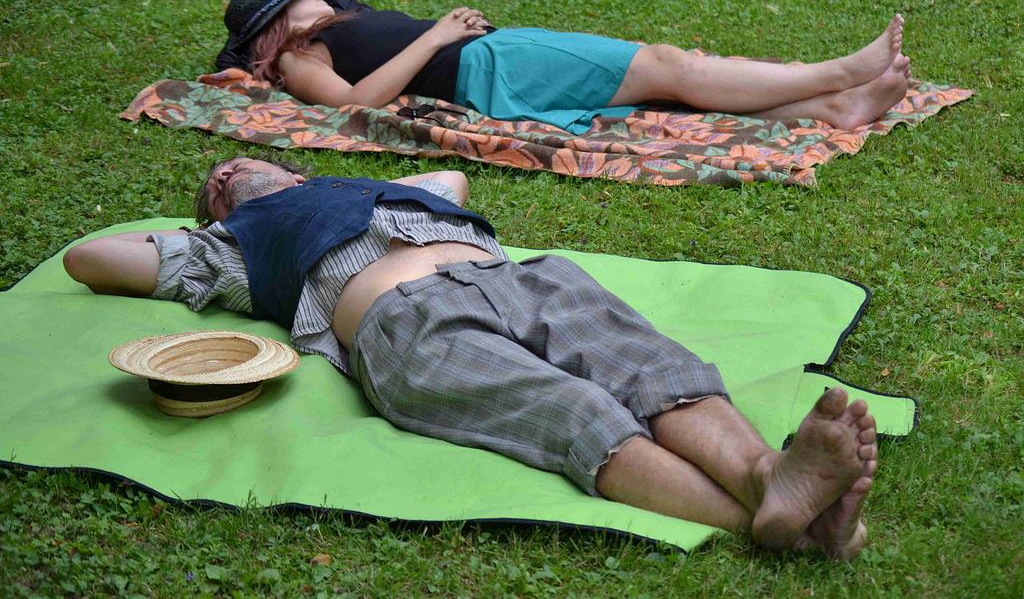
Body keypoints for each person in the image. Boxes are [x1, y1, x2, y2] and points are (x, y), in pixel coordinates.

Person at [64, 156, 879, 559]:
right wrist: (208, 227)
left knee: (652, 369)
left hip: (518, 277)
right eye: (215, 183)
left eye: (234, 163)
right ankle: (782, 519)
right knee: (571, 411)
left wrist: (334, 184)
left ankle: (770, 477)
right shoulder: (235, 250)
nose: (225, 171)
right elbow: (89, 260)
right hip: (402, 322)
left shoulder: (375, 188)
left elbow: (451, 178)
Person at [215, 0, 911, 135]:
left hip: (497, 55)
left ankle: (834, 108)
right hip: (495, 67)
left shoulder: (333, 24)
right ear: (278, 24)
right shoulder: (300, 58)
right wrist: (437, 35)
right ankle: (840, 73)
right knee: (667, 64)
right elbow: (353, 105)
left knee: (664, 88)